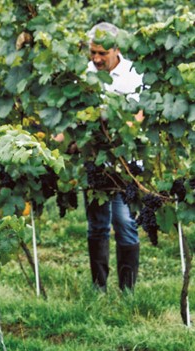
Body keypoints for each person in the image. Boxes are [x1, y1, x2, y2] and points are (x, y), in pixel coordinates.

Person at [84, 22, 144, 292]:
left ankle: (127, 291)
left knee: (124, 223)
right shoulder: (85, 74)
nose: (96, 59)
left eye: (102, 53)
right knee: (97, 224)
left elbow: (138, 118)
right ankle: (99, 287)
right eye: (92, 52)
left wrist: (113, 130)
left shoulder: (132, 75)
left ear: (116, 50)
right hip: (95, 163)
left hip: (125, 163)